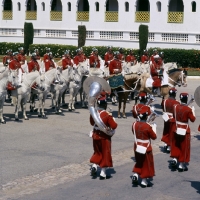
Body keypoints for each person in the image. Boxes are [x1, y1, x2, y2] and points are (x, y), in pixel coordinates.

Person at [90, 93, 118, 179]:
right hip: (104, 137)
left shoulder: (94, 113)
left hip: (95, 136)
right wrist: (112, 118)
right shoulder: (107, 115)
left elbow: (91, 123)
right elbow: (114, 126)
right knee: (105, 153)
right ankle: (103, 173)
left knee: (97, 151)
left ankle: (94, 165)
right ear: (105, 104)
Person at [131, 106, 157, 187]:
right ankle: (144, 181)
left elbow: (135, 132)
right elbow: (154, 137)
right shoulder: (147, 126)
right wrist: (154, 128)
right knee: (146, 163)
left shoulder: (134, 124)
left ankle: (135, 174)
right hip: (146, 147)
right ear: (146, 116)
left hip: (137, 146)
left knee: (139, 161)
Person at [170, 93, 196, 172]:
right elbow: (193, 119)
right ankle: (181, 165)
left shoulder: (175, 107)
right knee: (184, 147)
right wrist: (193, 111)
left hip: (176, 128)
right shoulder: (188, 109)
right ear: (186, 99)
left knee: (176, 145)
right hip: (185, 129)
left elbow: (175, 116)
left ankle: (175, 158)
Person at [161, 88, 180, 153]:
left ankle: (165, 143)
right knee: (171, 132)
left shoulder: (164, 101)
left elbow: (162, 107)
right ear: (175, 94)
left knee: (166, 130)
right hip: (173, 119)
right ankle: (169, 146)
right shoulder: (177, 102)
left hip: (166, 117)